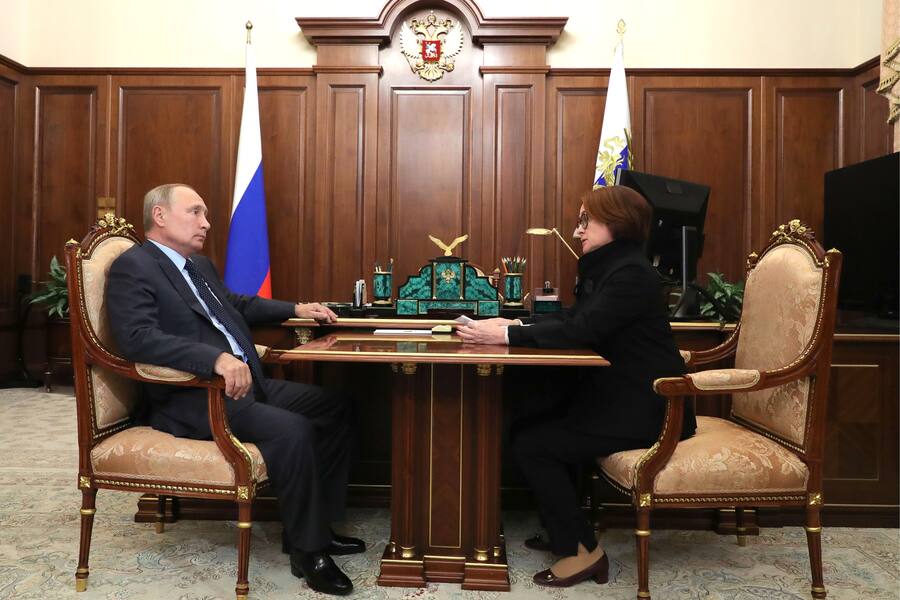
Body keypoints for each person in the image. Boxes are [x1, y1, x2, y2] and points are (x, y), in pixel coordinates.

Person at [106, 183, 362, 597]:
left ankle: (318, 526)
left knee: (335, 406)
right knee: (292, 429)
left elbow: (236, 306)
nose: (206, 223)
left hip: (244, 385)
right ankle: (308, 552)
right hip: (195, 395)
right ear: (160, 216)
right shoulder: (134, 266)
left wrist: (296, 309)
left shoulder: (198, 265)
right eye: (195, 212)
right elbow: (137, 338)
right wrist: (214, 359)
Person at [457, 185, 695, 588]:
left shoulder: (630, 274)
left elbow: (585, 328)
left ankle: (581, 552)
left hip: (649, 409)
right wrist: (515, 325)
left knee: (536, 444)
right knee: (528, 424)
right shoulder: (614, 268)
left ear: (615, 224)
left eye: (586, 221)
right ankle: (563, 530)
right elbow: (577, 318)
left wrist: (507, 338)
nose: (577, 230)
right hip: (617, 398)